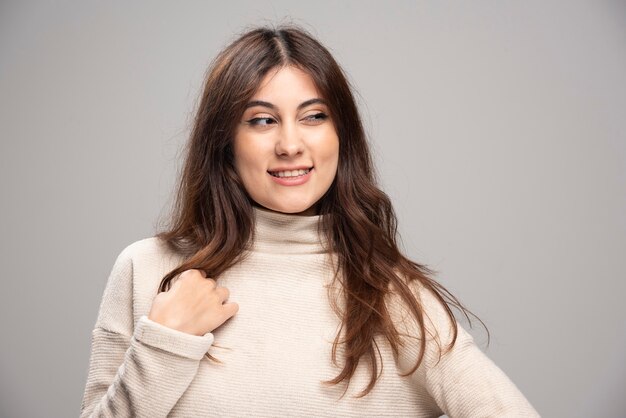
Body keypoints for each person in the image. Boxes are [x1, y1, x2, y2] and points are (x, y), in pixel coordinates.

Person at [80, 26, 539, 417]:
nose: (290, 144)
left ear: (341, 134)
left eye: (314, 116)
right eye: (261, 121)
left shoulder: (392, 295)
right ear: (225, 141)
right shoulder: (150, 270)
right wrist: (163, 344)